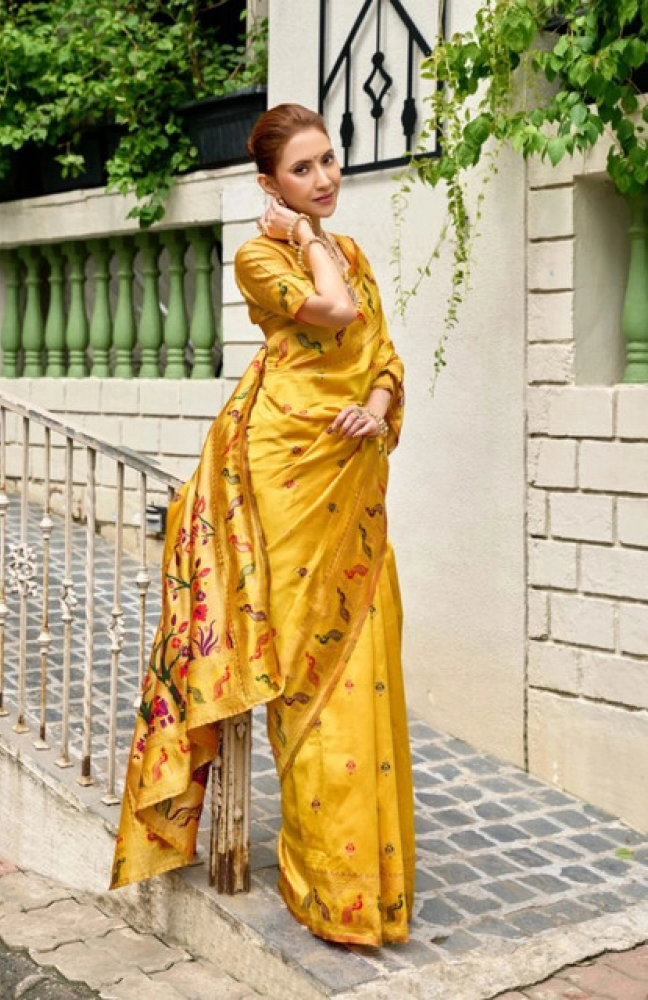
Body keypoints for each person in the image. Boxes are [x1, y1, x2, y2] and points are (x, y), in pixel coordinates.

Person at [110, 103, 415, 947]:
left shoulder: (349, 252)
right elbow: (336, 314)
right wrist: (308, 237)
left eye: (329, 161)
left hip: (349, 471)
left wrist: (375, 407)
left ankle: (371, 888)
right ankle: (329, 892)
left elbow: (384, 354)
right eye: (303, 169)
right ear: (270, 184)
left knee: (363, 663)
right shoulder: (259, 257)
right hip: (284, 472)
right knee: (311, 680)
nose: (325, 179)